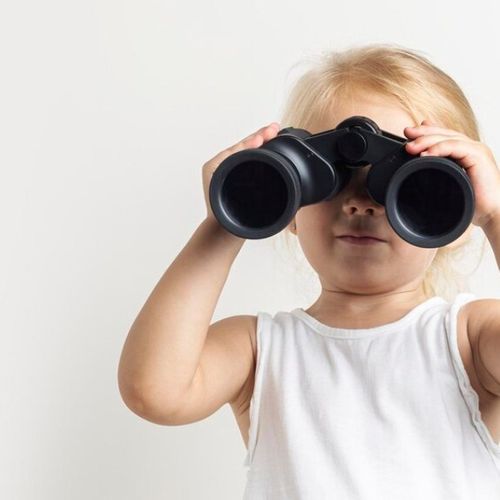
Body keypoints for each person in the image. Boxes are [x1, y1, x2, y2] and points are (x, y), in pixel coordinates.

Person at [117, 43, 500, 499]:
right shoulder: (260, 350)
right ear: (292, 205)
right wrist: (227, 219)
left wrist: (495, 217)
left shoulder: (467, 339)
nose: (359, 203)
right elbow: (153, 391)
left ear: (454, 217)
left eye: (399, 184)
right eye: (331, 179)